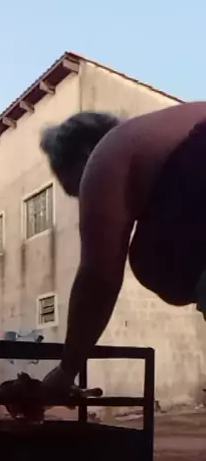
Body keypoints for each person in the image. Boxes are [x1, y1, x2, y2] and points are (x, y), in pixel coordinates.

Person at [39, 103, 206, 397]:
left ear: (84, 155)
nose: (85, 203)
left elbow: (98, 279)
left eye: (79, 190)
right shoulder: (164, 133)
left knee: (147, 258)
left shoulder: (107, 155)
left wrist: (66, 371)